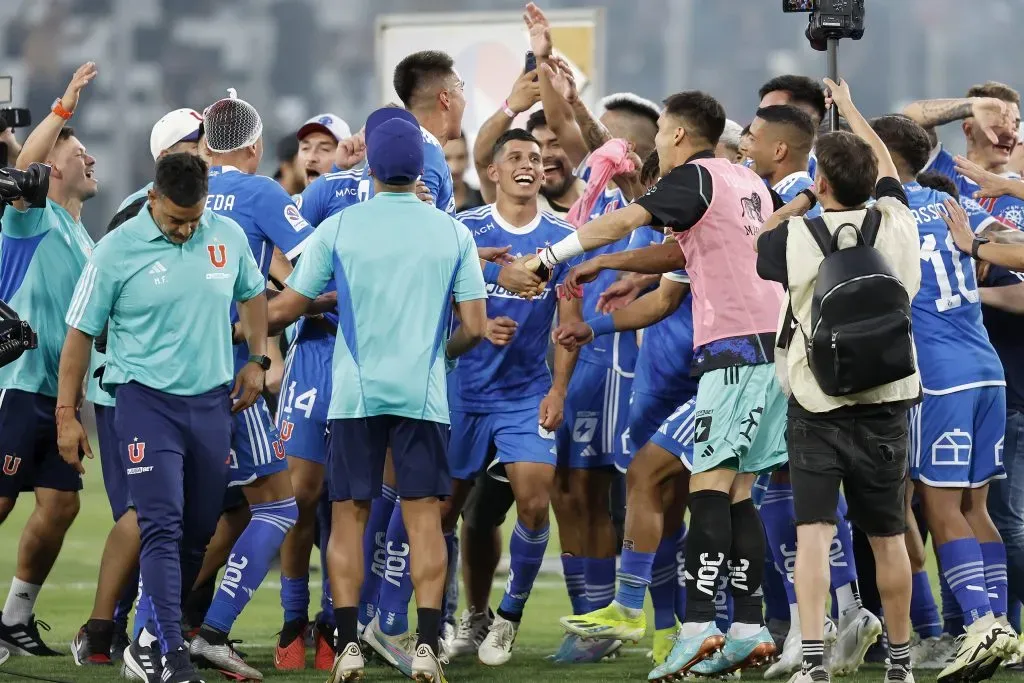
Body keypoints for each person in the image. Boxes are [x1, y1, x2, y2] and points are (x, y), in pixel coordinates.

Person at [518, 89, 787, 681]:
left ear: (679, 135)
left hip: (735, 353)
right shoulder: (744, 182)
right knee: (738, 492)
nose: (656, 141)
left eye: (661, 131)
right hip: (771, 352)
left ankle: (696, 627)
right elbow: (681, 252)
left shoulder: (693, 176)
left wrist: (550, 258)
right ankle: (748, 624)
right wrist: (609, 266)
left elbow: (624, 219)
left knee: (708, 488)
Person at [266, 107, 488, 682]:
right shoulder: (452, 230)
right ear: (420, 172)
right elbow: (475, 324)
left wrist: (237, 317)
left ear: (370, 170)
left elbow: (289, 306)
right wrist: (440, 355)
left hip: (355, 397)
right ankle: (429, 646)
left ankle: (345, 646)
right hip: (423, 396)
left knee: (348, 518)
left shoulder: (342, 226)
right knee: (424, 521)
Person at [56, 152, 268, 683]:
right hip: (144, 402)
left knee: (200, 529)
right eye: (175, 219)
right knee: (162, 523)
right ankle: (170, 655)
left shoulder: (226, 236)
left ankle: (152, 637)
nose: (184, 229)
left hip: (212, 402)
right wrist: (67, 413)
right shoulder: (116, 250)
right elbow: (79, 335)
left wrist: (260, 360)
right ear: (152, 199)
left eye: (193, 220)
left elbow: (253, 295)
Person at [180, 91, 314, 681]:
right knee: (279, 506)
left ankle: (147, 633)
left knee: (170, 513)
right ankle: (211, 631)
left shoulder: (171, 190)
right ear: (256, 148)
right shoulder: (261, 192)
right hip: (234, 372)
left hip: (163, 377)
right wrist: (266, 327)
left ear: (206, 145)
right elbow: (314, 262)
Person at [70, 106, 205, 668]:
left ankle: (141, 627)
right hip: (127, 391)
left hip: (177, 393)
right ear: (171, 152)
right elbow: (98, 314)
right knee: (145, 516)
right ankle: (106, 630)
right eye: (197, 144)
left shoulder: (195, 211)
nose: (206, 153)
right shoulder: (136, 216)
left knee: (165, 516)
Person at [0, 62, 98, 659]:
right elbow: (19, 167)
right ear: (53, 166)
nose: (91, 161)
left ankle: (13, 619)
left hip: (56, 395)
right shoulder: (30, 217)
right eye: (80, 152)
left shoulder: (87, 241)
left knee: (60, 503)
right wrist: (62, 110)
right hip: (14, 384)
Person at [903, 82, 1024, 227]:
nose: (1011, 133)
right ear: (968, 130)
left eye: (1015, 125)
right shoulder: (940, 167)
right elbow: (910, 119)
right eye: (999, 123)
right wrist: (971, 107)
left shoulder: (1018, 189)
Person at [296, 113, 350, 187]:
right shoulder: (287, 198)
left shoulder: (364, 197)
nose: (311, 158)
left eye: (324, 149)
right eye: (305, 148)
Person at [444, 132, 484, 211]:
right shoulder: (424, 204)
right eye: (446, 158)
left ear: (468, 158)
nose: (454, 168)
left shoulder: (484, 202)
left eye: (460, 157)